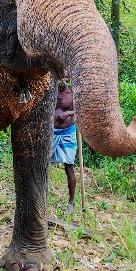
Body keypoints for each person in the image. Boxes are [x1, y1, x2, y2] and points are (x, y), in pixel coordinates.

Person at [52, 79, 77, 212]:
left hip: (68, 133)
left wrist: (69, 113)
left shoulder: (73, 92)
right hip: (50, 132)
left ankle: (71, 203)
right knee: (42, 165)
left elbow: (81, 109)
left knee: (69, 168)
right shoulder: (50, 89)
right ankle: (41, 198)